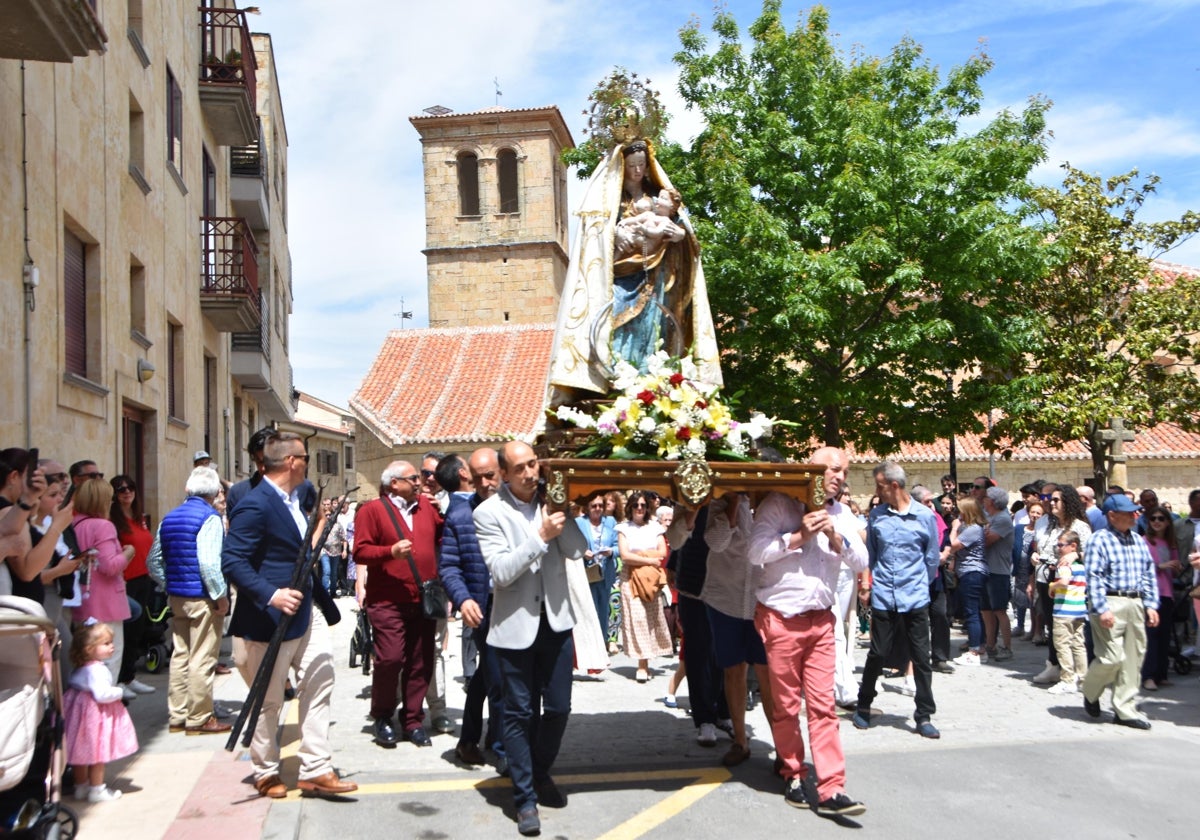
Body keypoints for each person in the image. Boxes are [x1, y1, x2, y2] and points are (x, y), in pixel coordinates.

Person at [222, 431, 356, 799]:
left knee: (321, 678)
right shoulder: (255, 504)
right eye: (307, 458)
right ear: (293, 462)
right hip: (270, 619)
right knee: (269, 699)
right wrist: (270, 594)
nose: (309, 464)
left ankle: (316, 767)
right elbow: (232, 561)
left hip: (306, 610)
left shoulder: (299, 497)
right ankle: (265, 769)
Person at [545, 138, 720, 402]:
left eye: (641, 165)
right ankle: (617, 376)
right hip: (618, 272)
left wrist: (678, 235)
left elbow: (684, 232)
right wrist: (614, 233)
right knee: (615, 317)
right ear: (623, 166)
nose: (637, 171)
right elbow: (596, 232)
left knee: (651, 323)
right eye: (632, 165)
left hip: (654, 271)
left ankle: (647, 378)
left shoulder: (657, 197)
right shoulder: (609, 199)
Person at [473, 441, 589, 837]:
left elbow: (579, 549)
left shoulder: (550, 501)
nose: (529, 473)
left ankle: (539, 773)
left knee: (558, 708)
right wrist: (539, 536)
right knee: (519, 714)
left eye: (533, 464)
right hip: (514, 630)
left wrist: (562, 514)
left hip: (556, 623)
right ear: (504, 474)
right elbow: (501, 573)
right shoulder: (487, 513)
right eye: (520, 468)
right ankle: (524, 798)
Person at [750, 446, 868, 816]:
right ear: (811, 470)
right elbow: (755, 552)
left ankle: (833, 788)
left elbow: (863, 560)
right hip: (781, 618)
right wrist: (799, 536)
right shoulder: (778, 504)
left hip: (821, 620)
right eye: (833, 469)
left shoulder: (842, 513)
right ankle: (793, 773)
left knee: (823, 706)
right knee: (786, 705)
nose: (840, 476)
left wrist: (837, 538)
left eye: (844, 471)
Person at [353, 460, 444, 748]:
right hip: (387, 600)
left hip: (423, 598)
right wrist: (389, 552)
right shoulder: (372, 511)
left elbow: (443, 538)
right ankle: (382, 715)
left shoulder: (427, 508)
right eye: (413, 478)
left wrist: (442, 512)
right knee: (390, 659)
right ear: (394, 483)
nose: (420, 482)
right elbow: (360, 551)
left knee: (421, 661)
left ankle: (413, 720)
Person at [854, 461, 941, 739]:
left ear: (894, 485)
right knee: (878, 653)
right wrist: (868, 585)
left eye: (879, 485)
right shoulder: (877, 516)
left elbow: (931, 558)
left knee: (920, 656)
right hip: (884, 597)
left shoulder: (924, 517)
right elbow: (871, 554)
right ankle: (864, 705)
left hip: (915, 597)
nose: (876, 491)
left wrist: (917, 584)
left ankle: (924, 714)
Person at [146, 466, 230, 735]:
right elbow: (208, 563)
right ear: (216, 492)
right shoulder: (210, 518)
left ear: (187, 489)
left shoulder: (169, 518)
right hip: (203, 597)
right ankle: (200, 716)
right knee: (202, 657)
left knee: (180, 654)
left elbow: (154, 562)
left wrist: (169, 583)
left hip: (178, 596)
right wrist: (220, 595)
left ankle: (177, 714)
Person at [438, 450, 503, 768]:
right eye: (478, 477)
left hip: (517, 605)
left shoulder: (517, 509)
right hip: (483, 607)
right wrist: (463, 599)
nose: (485, 483)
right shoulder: (460, 516)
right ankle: (502, 746)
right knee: (498, 675)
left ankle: (472, 739)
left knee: (488, 675)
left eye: (491, 475)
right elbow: (448, 567)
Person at [702, 490, 774, 767]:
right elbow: (717, 543)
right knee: (734, 671)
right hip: (726, 600)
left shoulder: (774, 504)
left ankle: (782, 747)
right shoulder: (719, 504)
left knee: (767, 675)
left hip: (762, 600)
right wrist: (732, 504)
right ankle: (740, 741)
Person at [1080, 494, 1160, 729]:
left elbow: (1148, 573)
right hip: (1110, 601)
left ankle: (1125, 710)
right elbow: (1093, 576)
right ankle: (1091, 690)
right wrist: (1102, 608)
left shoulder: (1138, 539)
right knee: (1111, 657)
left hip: (1135, 601)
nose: (1135, 515)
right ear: (1112, 516)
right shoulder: (1099, 540)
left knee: (1133, 658)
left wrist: (1151, 605)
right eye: (1128, 512)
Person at [62, 623, 138, 803]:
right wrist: (118, 692)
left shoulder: (81, 668)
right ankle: (97, 789)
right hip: (94, 716)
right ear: (89, 649)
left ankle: (81, 786)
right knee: (97, 754)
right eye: (106, 643)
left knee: (79, 755)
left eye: (111, 642)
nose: (112, 646)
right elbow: (102, 694)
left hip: (79, 716)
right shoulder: (97, 670)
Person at [71, 479, 133, 689]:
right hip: (106, 604)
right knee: (107, 664)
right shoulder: (103, 526)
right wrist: (128, 553)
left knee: (86, 665)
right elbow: (109, 566)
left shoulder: (75, 524)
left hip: (83, 601)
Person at [616, 490, 673, 683]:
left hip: (650, 579)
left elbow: (662, 552)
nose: (639, 509)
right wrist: (648, 558)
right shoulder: (623, 528)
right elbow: (625, 555)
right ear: (630, 508)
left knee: (651, 619)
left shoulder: (654, 526)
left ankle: (646, 661)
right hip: (630, 578)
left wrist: (640, 556)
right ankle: (642, 665)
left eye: (642, 505)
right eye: (636, 505)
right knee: (638, 619)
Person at [109, 474, 156, 697]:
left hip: (143, 578)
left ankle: (129, 677)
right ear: (114, 495)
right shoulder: (113, 521)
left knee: (137, 631)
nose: (126, 492)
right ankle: (119, 680)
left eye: (130, 488)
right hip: (124, 581)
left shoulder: (139, 517)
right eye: (121, 489)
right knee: (124, 632)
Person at [940, 496, 988, 666]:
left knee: (971, 612)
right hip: (968, 572)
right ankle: (980, 647)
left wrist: (954, 528)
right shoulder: (971, 528)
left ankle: (974, 651)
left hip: (972, 572)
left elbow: (953, 545)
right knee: (974, 611)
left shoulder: (973, 529)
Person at [1140, 505, 1181, 691]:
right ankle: (1148, 675)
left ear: (1167, 522)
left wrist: (1175, 567)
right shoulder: (1144, 541)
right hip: (1150, 594)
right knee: (1151, 636)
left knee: (1164, 636)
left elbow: (1173, 572)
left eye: (1161, 519)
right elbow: (1142, 568)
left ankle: (1161, 674)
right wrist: (1162, 566)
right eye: (1153, 518)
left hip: (1166, 593)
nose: (1157, 522)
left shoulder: (1170, 544)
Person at [1047, 530, 1088, 695]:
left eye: (1061, 545)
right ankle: (1084, 678)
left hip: (1063, 611)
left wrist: (1052, 586)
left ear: (1073, 546)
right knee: (1079, 645)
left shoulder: (1064, 564)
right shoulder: (1081, 565)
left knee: (1062, 645)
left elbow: (1063, 582)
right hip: (1079, 610)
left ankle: (1067, 679)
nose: (1058, 548)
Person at [577, 492, 619, 645]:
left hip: (605, 573)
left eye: (600, 505)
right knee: (588, 611)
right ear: (587, 508)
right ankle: (588, 646)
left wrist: (611, 552)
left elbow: (619, 546)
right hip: (587, 573)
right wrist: (582, 552)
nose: (597, 508)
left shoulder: (611, 521)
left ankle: (602, 644)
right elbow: (571, 546)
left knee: (603, 611)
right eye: (594, 506)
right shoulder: (579, 522)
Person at [980, 486, 1015, 662]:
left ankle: (1006, 646)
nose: (982, 500)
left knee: (1000, 610)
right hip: (986, 569)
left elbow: (986, 541)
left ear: (992, 501)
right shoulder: (989, 518)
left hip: (998, 571)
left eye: (985, 497)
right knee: (986, 610)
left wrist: (980, 533)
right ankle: (990, 644)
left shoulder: (1002, 520)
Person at [613, 187, 682, 260]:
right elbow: (635, 219)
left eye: (663, 198)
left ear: (672, 205)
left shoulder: (666, 221)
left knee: (630, 237)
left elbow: (657, 233)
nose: (658, 199)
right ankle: (613, 262)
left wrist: (643, 229)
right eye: (658, 197)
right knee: (625, 235)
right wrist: (623, 223)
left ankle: (614, 260)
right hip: (640, 237)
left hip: (648, 245)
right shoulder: (649, 214)